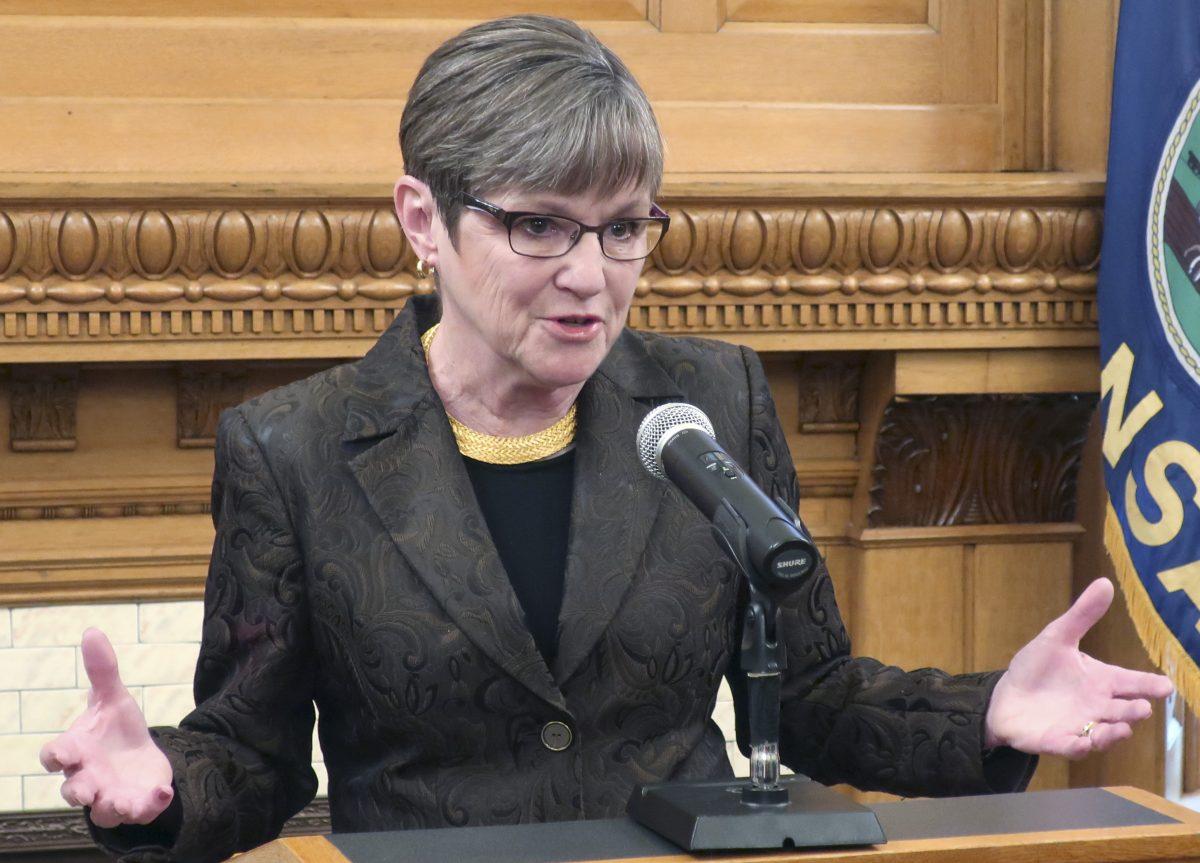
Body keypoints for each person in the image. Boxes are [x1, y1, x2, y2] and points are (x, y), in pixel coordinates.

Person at [40, 14, 1172, 863]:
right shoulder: (293, 448)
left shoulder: (710, 401)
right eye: (539, 225)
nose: (593, 277)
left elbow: (814, 696)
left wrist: (987, 711)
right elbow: (254, 756)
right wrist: (165, 782)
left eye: (625, 228)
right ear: (420, 217)